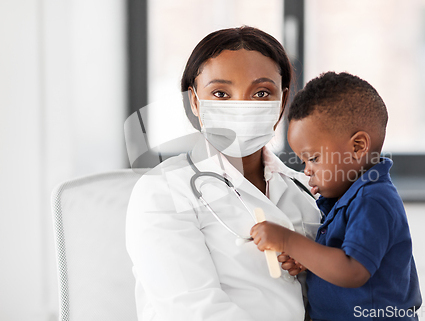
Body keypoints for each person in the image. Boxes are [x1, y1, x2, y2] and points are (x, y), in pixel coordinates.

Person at [125, 26, 322, 321]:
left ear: (281, 103)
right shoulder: (163, 191)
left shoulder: (304, 191)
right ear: (194, 101)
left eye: (260, 93)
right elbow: (194, 312)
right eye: (220, 93)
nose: (242, 107)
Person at [250, 72, 422, 320]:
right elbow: (336, 260)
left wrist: (288, 241)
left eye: (314, 158)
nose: (307, 170)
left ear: (357, 147)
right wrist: (308, 261)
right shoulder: (345, 198)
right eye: (303, 161)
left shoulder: (373, 199)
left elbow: (352, 270)